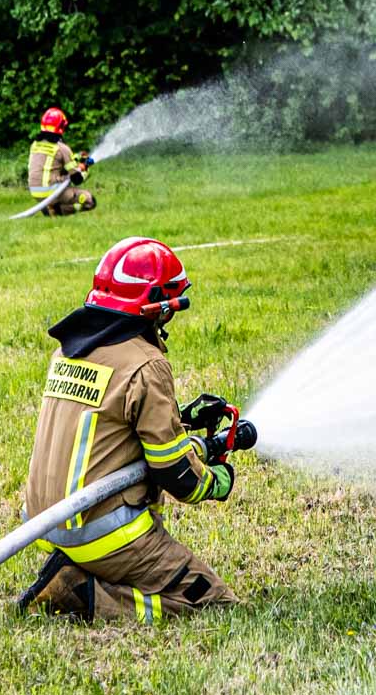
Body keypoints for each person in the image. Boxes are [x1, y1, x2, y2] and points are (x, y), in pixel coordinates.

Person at [17, 236, 243, 622]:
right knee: (213, 604)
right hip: (103, 532)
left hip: (42, 521)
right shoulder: (146, 364)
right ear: (159, 309)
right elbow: (176, 474)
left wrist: (180, 418)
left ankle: (75, 572)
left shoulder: (69, 349)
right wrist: (219, 480)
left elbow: (111, 419)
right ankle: (85, 596)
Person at [27, 107, 96, 216]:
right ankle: (56, 211)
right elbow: (77, 179)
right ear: (61, 127)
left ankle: (50, 207)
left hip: (35, 192)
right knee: (90, 201)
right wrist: (85, 167)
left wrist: (76, 158)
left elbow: (54, 165)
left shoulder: (35, 144)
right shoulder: (62, 148)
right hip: (52, 193)